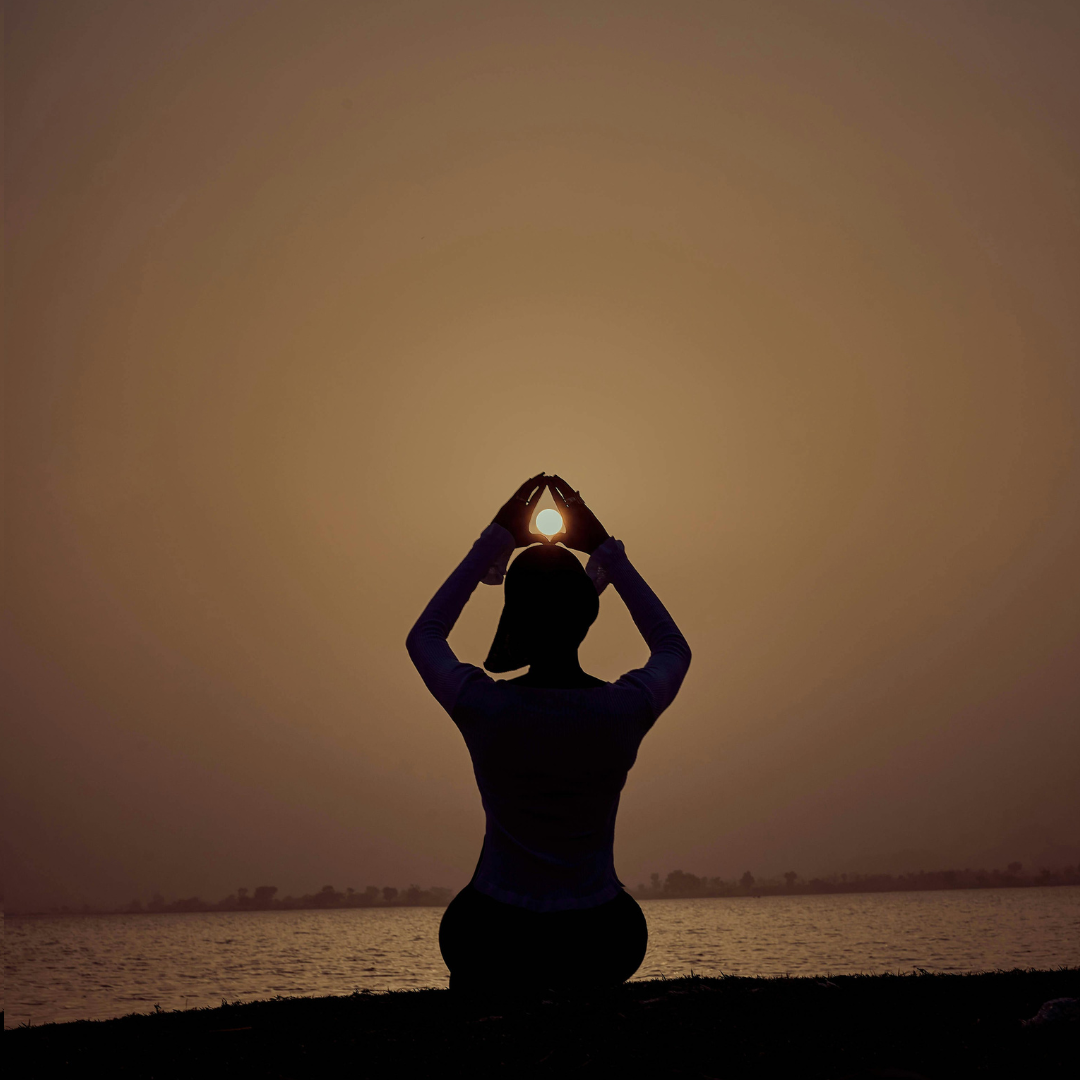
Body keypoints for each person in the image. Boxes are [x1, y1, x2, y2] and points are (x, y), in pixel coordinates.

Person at [406, 473, 691, 993]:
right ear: (587, 618)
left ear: (513, 622)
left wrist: (496, 539)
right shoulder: (622, 709)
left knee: (467, 929)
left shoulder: (484, 705)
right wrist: (608, 553)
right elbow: (673, 648)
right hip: (601, 937)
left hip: (494, 933)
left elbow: (424, 636)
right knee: (620, 926)